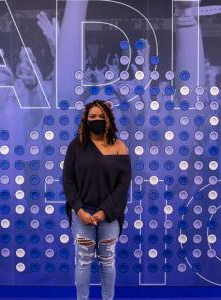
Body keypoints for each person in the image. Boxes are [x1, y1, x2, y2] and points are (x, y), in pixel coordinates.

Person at [63, 100, 131, 300]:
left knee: (108, 261)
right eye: (92, 116)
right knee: (83, 261)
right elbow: (68, 181)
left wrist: (104, 212)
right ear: (85, 119)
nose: (97, 120)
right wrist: (79, 210)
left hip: (110, 216)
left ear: (109, 119)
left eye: (101, 116)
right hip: (82, 214)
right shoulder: (75, 147)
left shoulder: (120, 147)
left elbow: (123, 186)